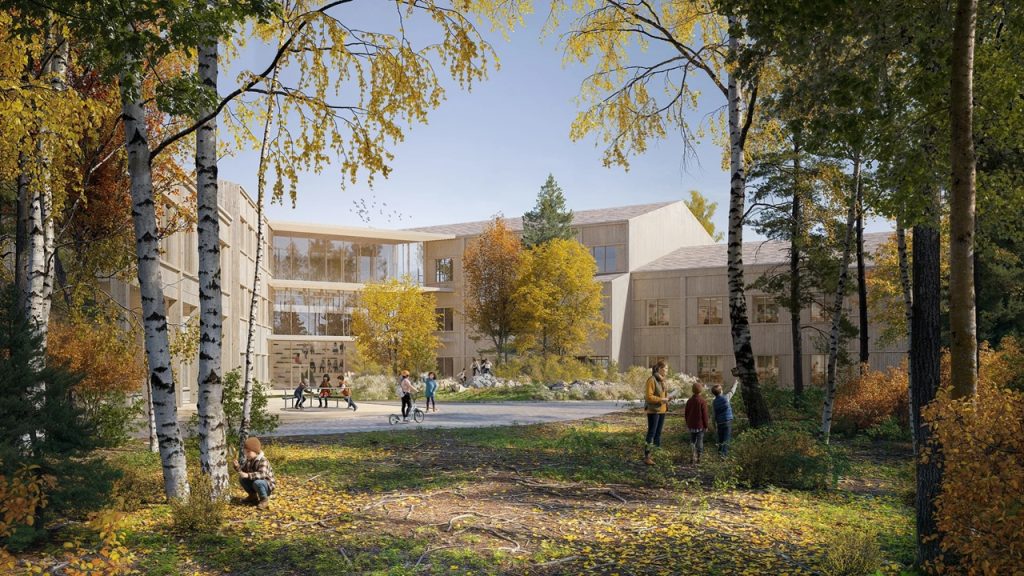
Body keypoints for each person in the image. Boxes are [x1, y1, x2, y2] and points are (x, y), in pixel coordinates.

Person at [233, 436, 275, 510]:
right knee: (242, 479)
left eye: (248, 452)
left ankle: (264, 500)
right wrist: (237, 467)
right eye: (245, 452)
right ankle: (253, 496)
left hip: (266, 485)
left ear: (255, 451)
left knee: (258, 482)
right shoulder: (249, 460)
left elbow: (262, 474)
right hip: (255, 483)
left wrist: (247, 475)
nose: (246, 454)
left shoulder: (263, 460)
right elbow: (243, 471)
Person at [643, 361, 670, 466]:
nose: (666, 371)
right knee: (652, 433)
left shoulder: (663, 380)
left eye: (667, 369)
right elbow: (649, 397)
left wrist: (668, 398)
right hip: (653, 410)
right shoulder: (651, 380)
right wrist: (661, 399)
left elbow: (663, 395)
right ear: (659, 368)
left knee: (658, 433)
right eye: (665, 369)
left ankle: (657, 454)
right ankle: (647, 456)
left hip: (662, 410)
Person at [711, 378, 739, 457]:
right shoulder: (726, 398)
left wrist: (714, 425)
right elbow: (732, 391)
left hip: (719, 423)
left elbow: (713, 414)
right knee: (726, 439)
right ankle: (724, 456)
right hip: (727, 421)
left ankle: (720, 453)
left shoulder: (714, 402)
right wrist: (735, 384)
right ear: (721, 391)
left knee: (720, 439)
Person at [684, 381, 710, 465]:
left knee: (692, 441)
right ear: (701, 391)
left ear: (692, 390)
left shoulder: (689, 401)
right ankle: (699, 457)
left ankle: (692, 457)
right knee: (700, 441)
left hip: (691, 425)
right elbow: (705, 415)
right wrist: (706, 425)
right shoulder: (702, 401)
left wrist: (687, 423)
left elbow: (686, 413)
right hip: (700, 425)